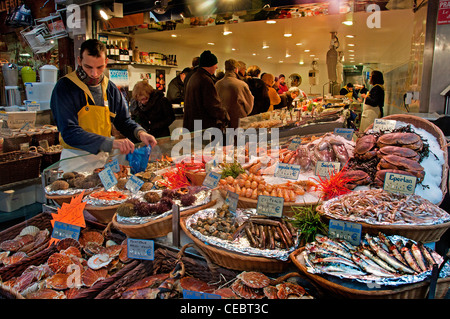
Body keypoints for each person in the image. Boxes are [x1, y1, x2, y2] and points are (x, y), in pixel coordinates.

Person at [50, 39, 156, 171]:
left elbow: (123, 121)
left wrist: (140, 133)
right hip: (75, 161)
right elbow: (69, 132)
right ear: (79, 61)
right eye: (88, 67)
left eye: (100, 67)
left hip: (103, 160)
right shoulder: (65, 87)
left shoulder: (110, 88)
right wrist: (111, 142)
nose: (94, 73)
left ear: (106, 62)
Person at [183, 50, 229, 132]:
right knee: (205, 145)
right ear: (209, 65)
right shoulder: (205, 80)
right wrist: (225, 116)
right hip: (203, 125)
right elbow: (212, 104)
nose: (217, 67)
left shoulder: (194, 77)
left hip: (193, 124)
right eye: (215, 64)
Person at [215, 59, 254, 129]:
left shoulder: (217, 84)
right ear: (236, 69)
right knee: (237, 139)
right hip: (238, 119)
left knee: (225, 139)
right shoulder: (241, 84)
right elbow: (249, 104)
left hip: (222, 120)